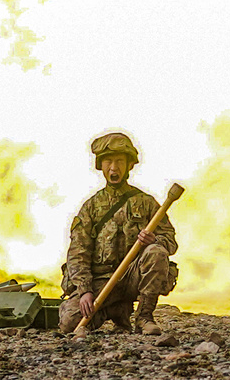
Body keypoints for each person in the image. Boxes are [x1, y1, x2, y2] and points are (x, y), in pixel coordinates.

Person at [58, 132, 177, 335]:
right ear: (100, 165)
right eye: (109, 161)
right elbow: (78, 252)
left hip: (134, 277)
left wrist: (155, 240)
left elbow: (171, 242)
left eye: (120, 161)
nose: (114, 167)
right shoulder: (91, 207)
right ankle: (115, 309)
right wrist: (85, 290)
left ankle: (144, 317)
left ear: (129, 165)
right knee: (70, 322)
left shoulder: (147, 203)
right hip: (102, 281)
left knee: (156, 251)